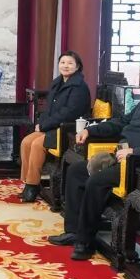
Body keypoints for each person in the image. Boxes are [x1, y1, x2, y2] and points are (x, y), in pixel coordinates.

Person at [56, 53, 140, 259]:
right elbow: (122, 122)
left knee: (96, 181)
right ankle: (74, 231)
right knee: (76, 171)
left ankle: (85, 242)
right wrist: (91, 130)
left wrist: (135, 152)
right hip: (122, 156)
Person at [19, 51, 91, 203]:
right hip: (52, 126)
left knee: (37, 144)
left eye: (70, 63)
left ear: (78, 66)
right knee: (26, 142)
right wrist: (41, 124)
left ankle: (32, 186)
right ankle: (28, 182)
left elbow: (68, 113)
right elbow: (48, 109)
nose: (66, 66)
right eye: (62, 62)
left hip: (68, 129)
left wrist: (44, 125)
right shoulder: (57, 82)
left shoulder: (80, 87)